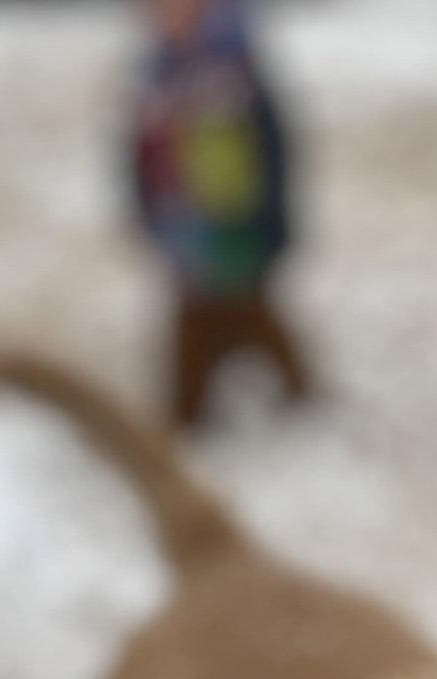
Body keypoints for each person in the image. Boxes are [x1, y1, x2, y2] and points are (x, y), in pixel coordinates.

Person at [131, 0, 313, 429]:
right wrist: (145, 210)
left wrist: (275, 222)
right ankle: (187, 412)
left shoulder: (237, 67)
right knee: (192, 320)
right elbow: (143, 152)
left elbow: (273, 150)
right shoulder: (157, 74)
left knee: (252, 310)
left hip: (241, 226)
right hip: (184, 225)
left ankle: (298, 395)